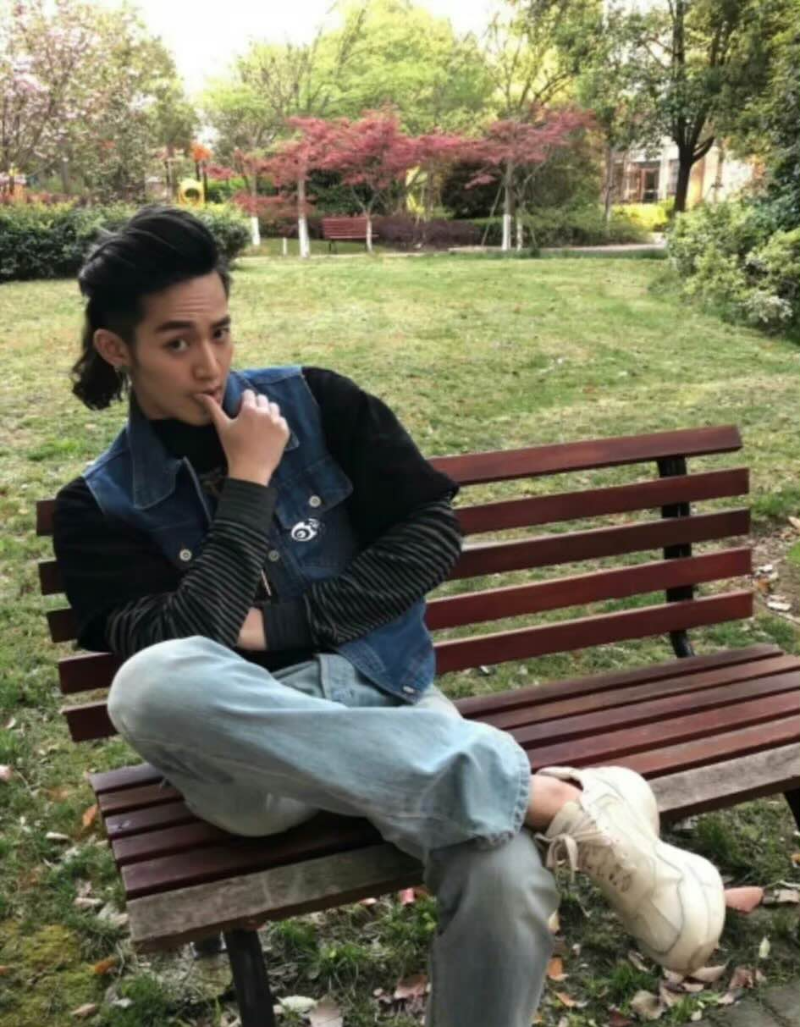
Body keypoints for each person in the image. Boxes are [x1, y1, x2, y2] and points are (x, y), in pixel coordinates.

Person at [54, 206, 726, 1027]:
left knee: (507, 875)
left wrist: (288, 626)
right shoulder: (97, 507)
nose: (211, 364)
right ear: (116, 348)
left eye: (221, 332)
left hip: (388, 697)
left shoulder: (318, 401)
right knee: (148, 685)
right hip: (256, 777)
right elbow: (193, 639)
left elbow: (430, 534)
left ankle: (519, 798)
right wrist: (251, 482)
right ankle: (550, 796)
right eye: (177, 342)